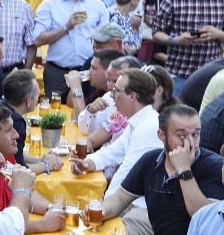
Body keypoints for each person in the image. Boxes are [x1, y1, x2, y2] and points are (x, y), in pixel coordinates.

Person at [98, 105, 224, 235]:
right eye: (181, 135)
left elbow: (204, 217)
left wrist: (184, 170)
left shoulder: (212, 165)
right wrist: (94, 212)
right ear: (161, 135)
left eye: (196, 134)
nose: (191, 143)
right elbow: (119, 199)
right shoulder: (151, 160)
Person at [0, 100, 66, 232]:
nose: (16, 135)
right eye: (9, 131)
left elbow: (25, 190)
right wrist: (42, 225)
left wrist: (50, 209)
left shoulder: (4, 155)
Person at [69, 68, 162, 200]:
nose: (111, 94)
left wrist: (102, 206)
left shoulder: (148, 127)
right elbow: (111, 152)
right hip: (127, 203)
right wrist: (87, 163)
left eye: (116, 90)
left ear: (132, 96)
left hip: (137, 208)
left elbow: (126, 174)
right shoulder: (139, 121)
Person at [32, 0, 110, 99]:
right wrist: (67, 26)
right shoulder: (49, 5)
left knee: (87, 113)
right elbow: (37, 39)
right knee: (55, 115)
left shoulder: (98, 6)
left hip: (89, 73)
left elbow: (106, 39)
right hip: (58, 72)